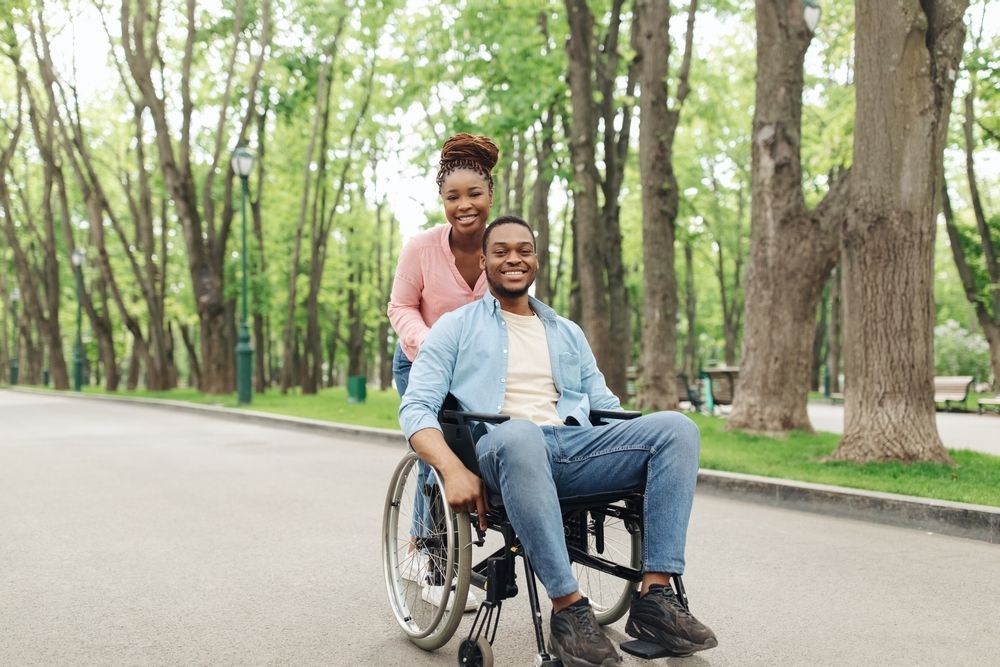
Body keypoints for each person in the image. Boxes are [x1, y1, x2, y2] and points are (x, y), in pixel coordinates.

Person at [399, 216, 718, 665]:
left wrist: (636, 445)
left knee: (677, 428)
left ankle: (656, 598)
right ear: (486, 261)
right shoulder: (456, 327)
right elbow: (415, 408)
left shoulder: (566, 331)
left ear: (536, 258)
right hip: (503, 449)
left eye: (524, 249)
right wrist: (451, 469)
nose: (514, 258)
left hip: (571, 448)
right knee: (521, 434)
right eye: (501, 250)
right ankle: (569, 611)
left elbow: (605, 404)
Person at [387, 132, 499, 612]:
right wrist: (431, 343)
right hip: (419, 363)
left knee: (479, 450)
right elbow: (400, 306)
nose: (464, 205)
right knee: (439, 456)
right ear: (442, 200)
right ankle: (432, 561)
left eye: (474, 194)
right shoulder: (422, 248)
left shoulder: (503, 248)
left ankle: (425, 545)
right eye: (453, 196)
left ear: (490, 195)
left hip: (472, 374)